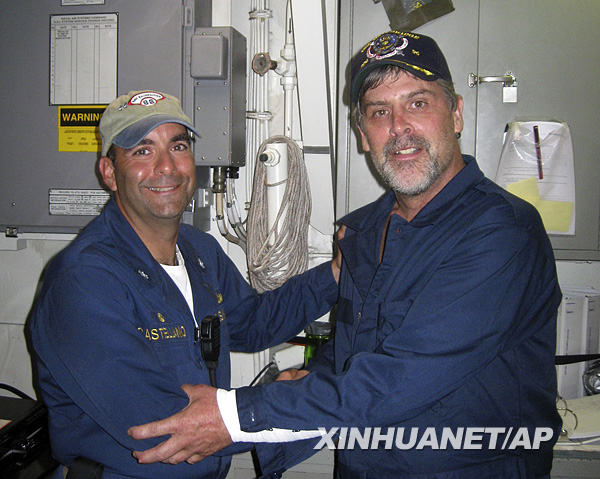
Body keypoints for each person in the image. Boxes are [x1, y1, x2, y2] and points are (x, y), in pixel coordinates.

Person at [128, 31, 563, 478]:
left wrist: (236, 415)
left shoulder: (501, 232)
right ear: (362, 135)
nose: (398, 128)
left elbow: (400, 377)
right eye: (379, 112)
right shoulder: (364, 232)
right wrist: (315, 378)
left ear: (456, 114)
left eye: (418, 103)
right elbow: (355, 348)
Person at [29, 90, 340, 479]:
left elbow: (252, 323)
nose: (166, 167)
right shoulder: (83, 282)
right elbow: (162, 423)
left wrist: (336, 274)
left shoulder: (199, 251)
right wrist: (283, 401)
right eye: (142, 151)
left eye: (177, 145)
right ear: (109, 173)